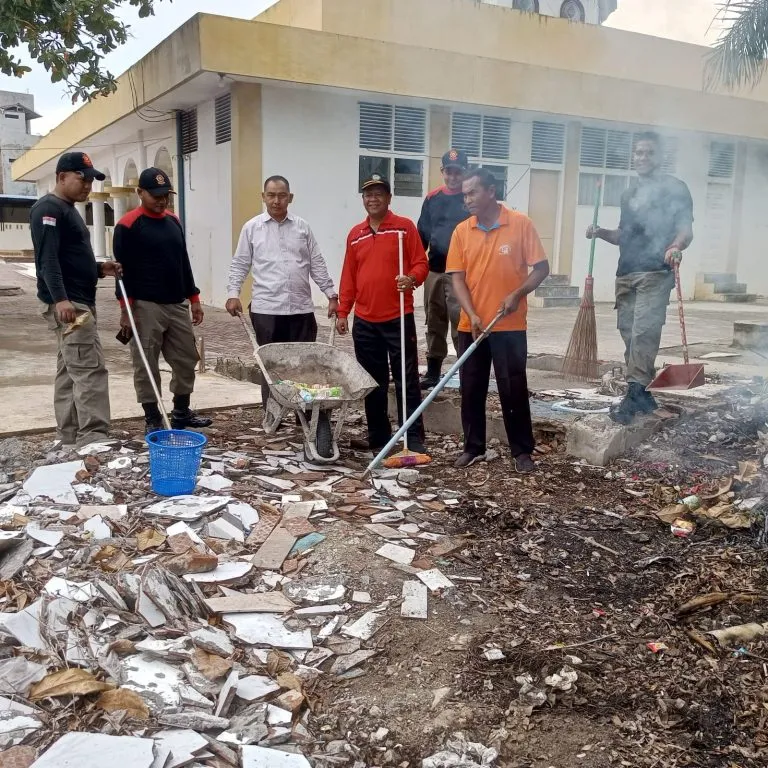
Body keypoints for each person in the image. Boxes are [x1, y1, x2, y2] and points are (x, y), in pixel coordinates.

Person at [586, 132, 694, 424]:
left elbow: (686, 229)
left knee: (644, 332)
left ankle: (633, 395)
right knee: (630, 335)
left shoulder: (675, 188)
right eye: (639, 153)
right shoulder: (629, 194)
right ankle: (642, 394)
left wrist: (675, 246)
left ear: (660, 157)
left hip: (656, 272)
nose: (643, 158)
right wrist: (600, 232)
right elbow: (624, 235)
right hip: (626, 273)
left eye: (649, 153)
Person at [447, 168, 549, 472]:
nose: (467, 199)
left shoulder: (520, 224)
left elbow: (541, 269)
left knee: (513, 388)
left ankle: (522, 451)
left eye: (472, 193)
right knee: (471, 388)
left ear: (491, 191)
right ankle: (473, 447)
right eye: (464, 194)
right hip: (473, 326)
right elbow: (457, 279)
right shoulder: (462, 231)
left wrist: (517, 294)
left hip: (509, 325)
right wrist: (472, 314)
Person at [31, 151, 122, 449]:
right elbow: (48, 260)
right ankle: (93, 436)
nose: (87, 186)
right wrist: (61, 299)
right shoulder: (49, 209)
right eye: (82, 180)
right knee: (89, 368)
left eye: (90, 181)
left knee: (70, 369)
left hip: (77, 301)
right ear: (61, 177)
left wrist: (100, 269)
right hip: (72, 306)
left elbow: (69, 258)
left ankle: (69, 436)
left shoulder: (66, 209)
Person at [113, 167, 212, 434]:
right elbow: (120, 273)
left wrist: (194, 298)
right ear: (140, 193)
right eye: (155, 195)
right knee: (146, 363)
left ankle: (181, 412)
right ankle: (152, 417)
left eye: (165, 195)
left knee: (186, 358)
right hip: (145, 306)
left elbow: (183, 261)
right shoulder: (127, 226)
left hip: (176, 303)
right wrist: (125, 309)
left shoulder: (173, 221)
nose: (162, 200)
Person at [336, 174, 429, 454]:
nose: (373, 199)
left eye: (378, 194)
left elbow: (421, 263)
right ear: (363, 199)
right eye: (368, 194)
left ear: (389, 198)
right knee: (371, 381)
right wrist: (343, 311)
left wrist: (411, 279)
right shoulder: (356, 234)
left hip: (398, 315)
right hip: (365, 320)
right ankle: (378, 435)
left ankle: (412, 436)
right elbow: (349, 276)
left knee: (406, 378)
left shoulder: (404, 228)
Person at [225, 176, 338, 406]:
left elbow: (316, 263)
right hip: (267, 310)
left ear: (290, 197)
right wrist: (233, 294)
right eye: (271, 195)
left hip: (300, 310)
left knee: (305, 365)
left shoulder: (302, 227)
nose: (276, 200)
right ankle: (273, 413)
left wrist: (331, 294)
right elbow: (240, 263)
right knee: (271, 367)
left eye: (282, 195)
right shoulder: (252, 228)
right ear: (263, 197)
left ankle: (304, 413)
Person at [417, 148, 470, 390]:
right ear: (442, 171)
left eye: (458, 172)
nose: (453, 177)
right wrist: (416, 268)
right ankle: (433, 373)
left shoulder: (470, 198)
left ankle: (467, 373)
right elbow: (421, 236)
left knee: (462, 324)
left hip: (462, 274)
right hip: (435, 270)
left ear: (465, 172)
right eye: (449, 172)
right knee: (434, 322)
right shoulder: (432, 199)